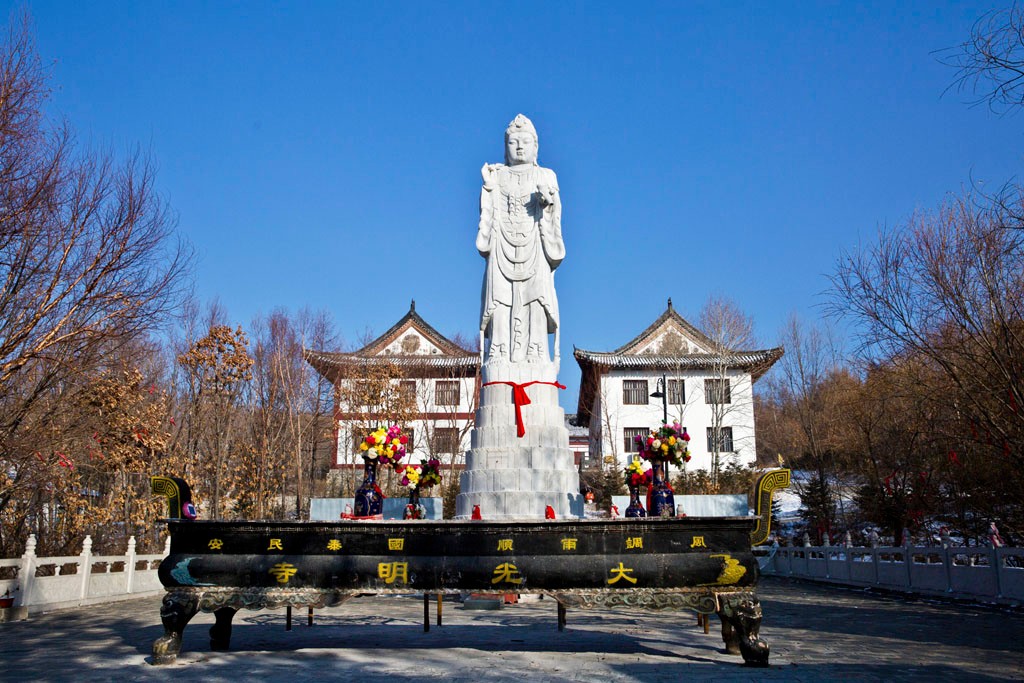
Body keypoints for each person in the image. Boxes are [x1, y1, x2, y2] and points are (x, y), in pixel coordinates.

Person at [477, 114, 564, 364]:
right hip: (501, 242)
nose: (519, 146)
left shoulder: (546, 175)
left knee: (536, 296)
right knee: (500, 298)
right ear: (506, 147)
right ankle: (500, 348)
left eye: (525, 141)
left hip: (536, 241)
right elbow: (488, 212)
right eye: (513, 141)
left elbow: (554, 210)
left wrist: (546, 204)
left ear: (535, 146)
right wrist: (489, 187)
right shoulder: (498, 175)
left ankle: (536, 348)